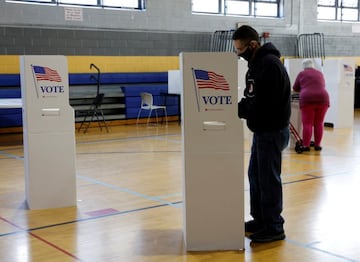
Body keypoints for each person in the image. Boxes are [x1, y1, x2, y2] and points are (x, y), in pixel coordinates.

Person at [233, 25, 291, 243]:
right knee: (256, 177)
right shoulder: (258, 64)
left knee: (268, 180)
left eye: (240, 49)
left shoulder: (269, 65)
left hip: (271, 130)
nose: (238, 54)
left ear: (253, 44)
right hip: (262, 131)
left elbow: (261, 103)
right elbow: (252, 98)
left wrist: (235, 109)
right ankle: (261, 220)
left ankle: (274, 226)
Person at [292, 59, 330, 151]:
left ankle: (306, 145)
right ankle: (317, 145)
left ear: (303, 66)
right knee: (319, 123)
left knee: (307, 124)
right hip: (323, 98)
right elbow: (322, 85)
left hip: (308, 99)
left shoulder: (301, 74)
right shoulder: (320, 74)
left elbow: (295, 88)